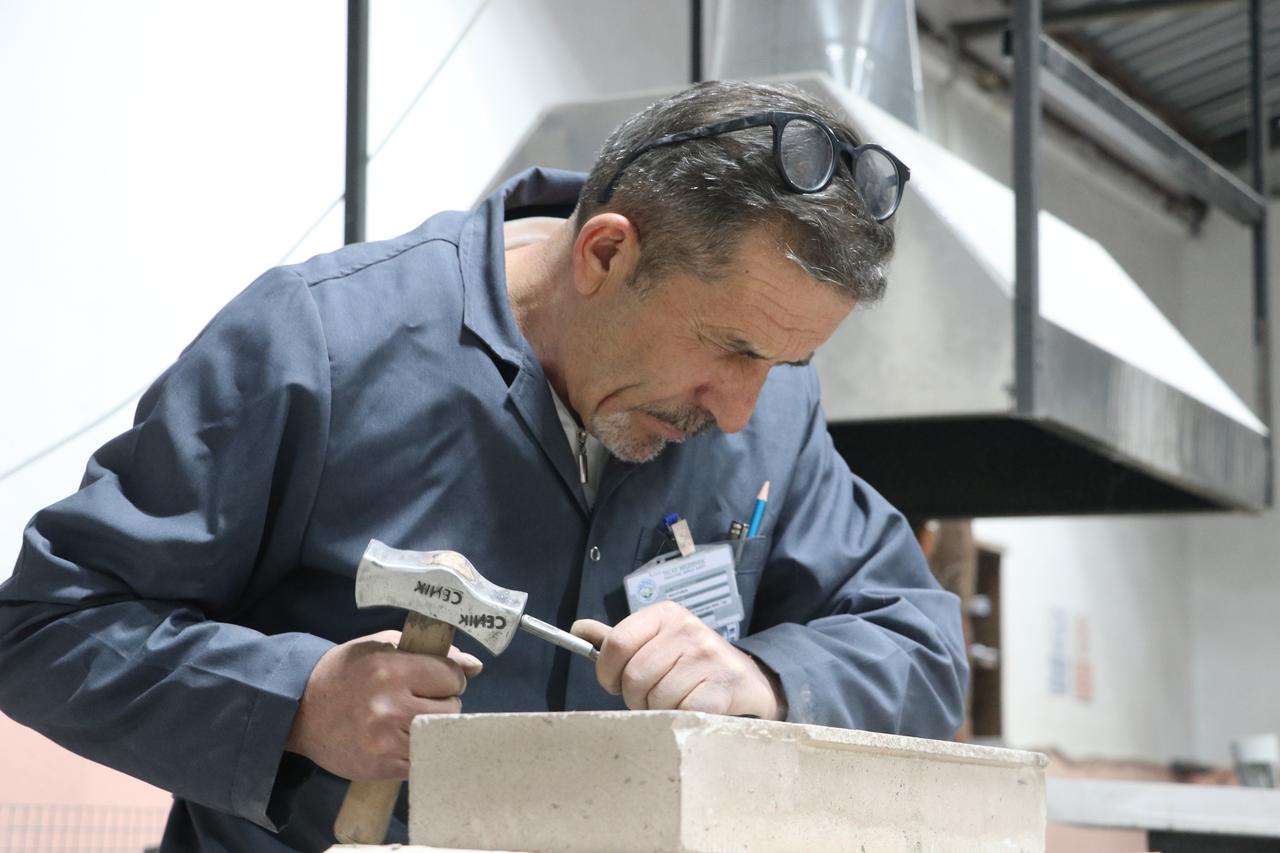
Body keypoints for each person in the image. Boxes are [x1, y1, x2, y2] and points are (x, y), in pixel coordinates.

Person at [0, 80, 967, 851]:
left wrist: (763, 675)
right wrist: (293, 703)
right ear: (605, 252)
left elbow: (918, 644)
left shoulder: (772, 414)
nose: (741, 410)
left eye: (785, 363)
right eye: (732, 348)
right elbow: (47, 628)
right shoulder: (318, 348)